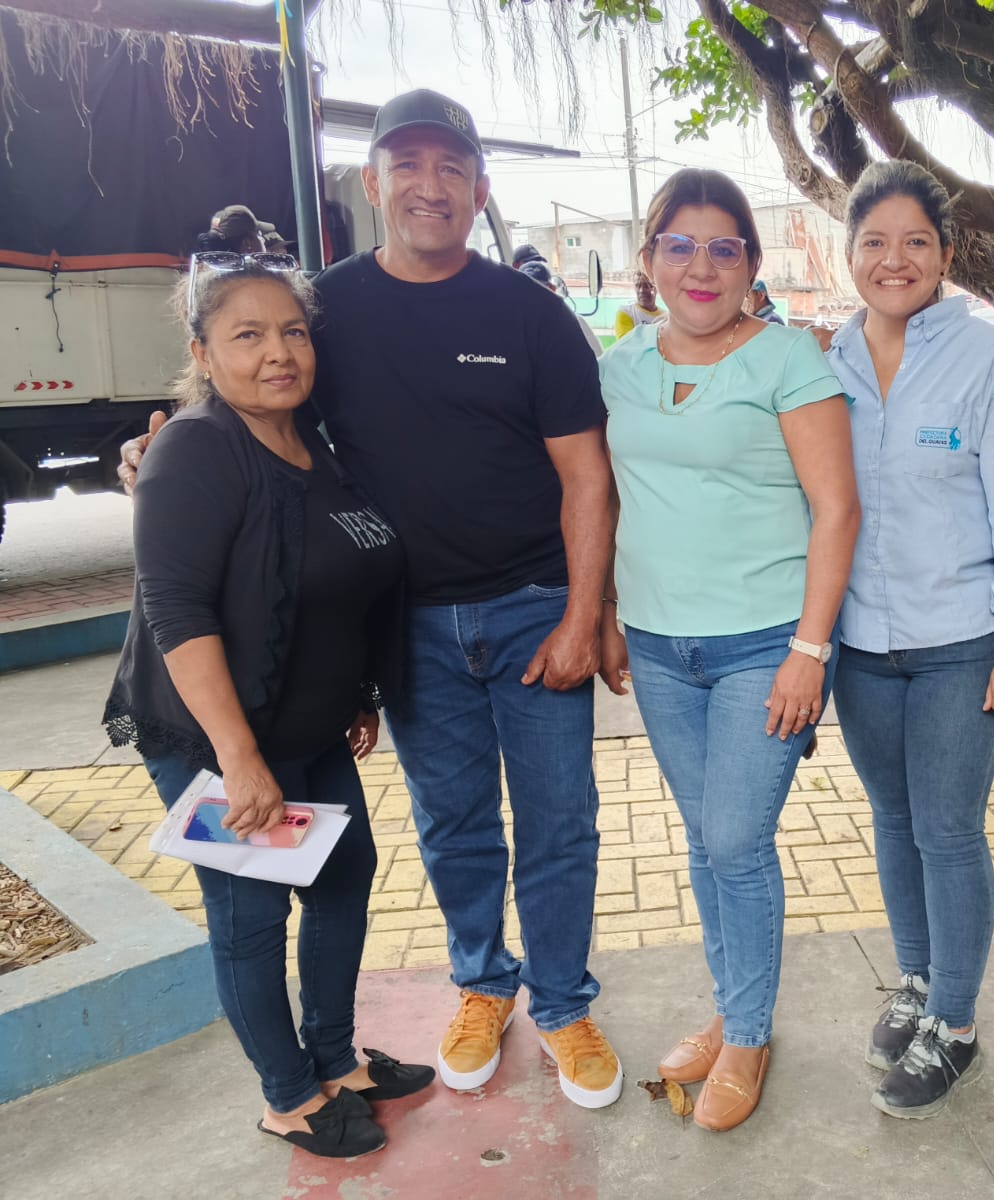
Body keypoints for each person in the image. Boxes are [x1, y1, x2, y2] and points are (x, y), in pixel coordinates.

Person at [121, 90, 624, 1110]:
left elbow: (587, 476)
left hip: (534, 610)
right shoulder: (328, 310)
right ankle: (484, 986)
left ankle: (565, 1003)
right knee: (454, 823)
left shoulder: (531, 314)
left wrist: (584, 613)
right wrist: (163, 447)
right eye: (408, 165)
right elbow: (253, 395)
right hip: (409, 628)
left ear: (479, 188)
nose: (430, 185)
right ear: (374, 182)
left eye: (451, 167)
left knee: (561, 821)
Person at [103, 253, 432, 1158]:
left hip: (310, 724)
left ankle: (335, 1060)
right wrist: (238, 759)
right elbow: (176, 611)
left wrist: (359, 692)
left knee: (344, 878)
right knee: (251, 917)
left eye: (292, 331)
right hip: (218, 739)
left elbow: (335, 580)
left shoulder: (312, 442)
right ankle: (287, 1096)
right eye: (247, 335)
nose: (277, 352)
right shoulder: (196, 449)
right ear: (203, 353)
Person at [599, 168, 858, 1132]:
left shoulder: (787, 358)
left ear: (750, 264)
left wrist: (810, 651)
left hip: (766, 643)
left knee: (737, 841)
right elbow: (609, 495)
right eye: (680, 245)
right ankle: (729, 1008)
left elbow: (837, 510)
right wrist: (612, 611)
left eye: (723, 247)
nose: (700, 266)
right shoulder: (619, 366)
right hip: (661, 647)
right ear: (649, 258)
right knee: (705, 838)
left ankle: (748, 1034)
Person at [824, 160, 994, 1119]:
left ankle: (955, 1024)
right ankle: (917, 981)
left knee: (948, 828)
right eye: (875, 242)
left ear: (946, 254)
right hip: (861, 643)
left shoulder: (989, 357)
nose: (896, 260)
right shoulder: (828, 360)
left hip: (963, 638)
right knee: (893, 819)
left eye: (916, 241)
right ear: (849, 254)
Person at [613, 271, 664, 339]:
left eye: (647, 286)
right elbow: (626, 343)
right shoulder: (626, 312)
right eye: (637, 286)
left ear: (656, 288)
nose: (641, 290)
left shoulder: (665, 317)